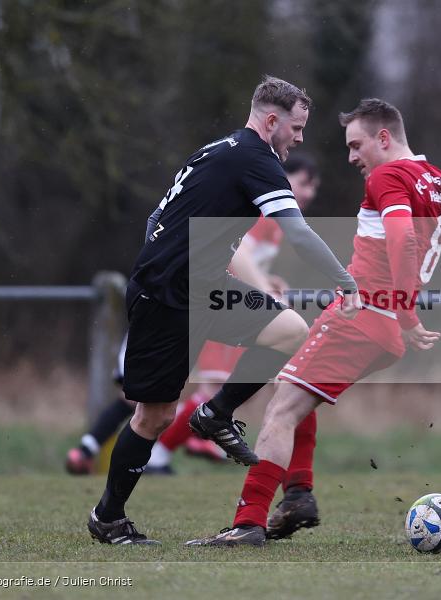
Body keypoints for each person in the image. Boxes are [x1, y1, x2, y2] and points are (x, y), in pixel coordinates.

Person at [185, 98, 441, 547]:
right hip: (381, 330)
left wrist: (406, 311)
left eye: (356, 145)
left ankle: (249, 523)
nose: (351, 157)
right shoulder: (440, 182)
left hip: (362, 316)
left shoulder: (390, 175)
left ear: (383, 138)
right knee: (292, 392)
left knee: (280, 411)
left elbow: (403, 237)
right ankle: (298, 495)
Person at [86, 76, 360, 546]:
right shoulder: (255, 158)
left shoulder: (218, 149)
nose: (299, 138)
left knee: (291, 329)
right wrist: (346, 283)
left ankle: (215, 413)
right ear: (271, 121)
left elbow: (158, 218)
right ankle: (108, 518)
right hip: (167, 294)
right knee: (154, 416)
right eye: (296, 128)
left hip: (205, 288)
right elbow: (298, 234)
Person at [66, 155, 322, 475]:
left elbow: (237, 258)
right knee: (189, 395)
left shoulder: (277, 223)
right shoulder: (266, 213)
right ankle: (158, 451)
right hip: (214, 304)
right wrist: (262, 291)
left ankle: (160, 449)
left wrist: (265, 282)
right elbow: (236, 256)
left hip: (223, 303)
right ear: (283, 180)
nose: (309, 192)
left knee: (183, 397)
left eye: (314, 186)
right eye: (303, 183)